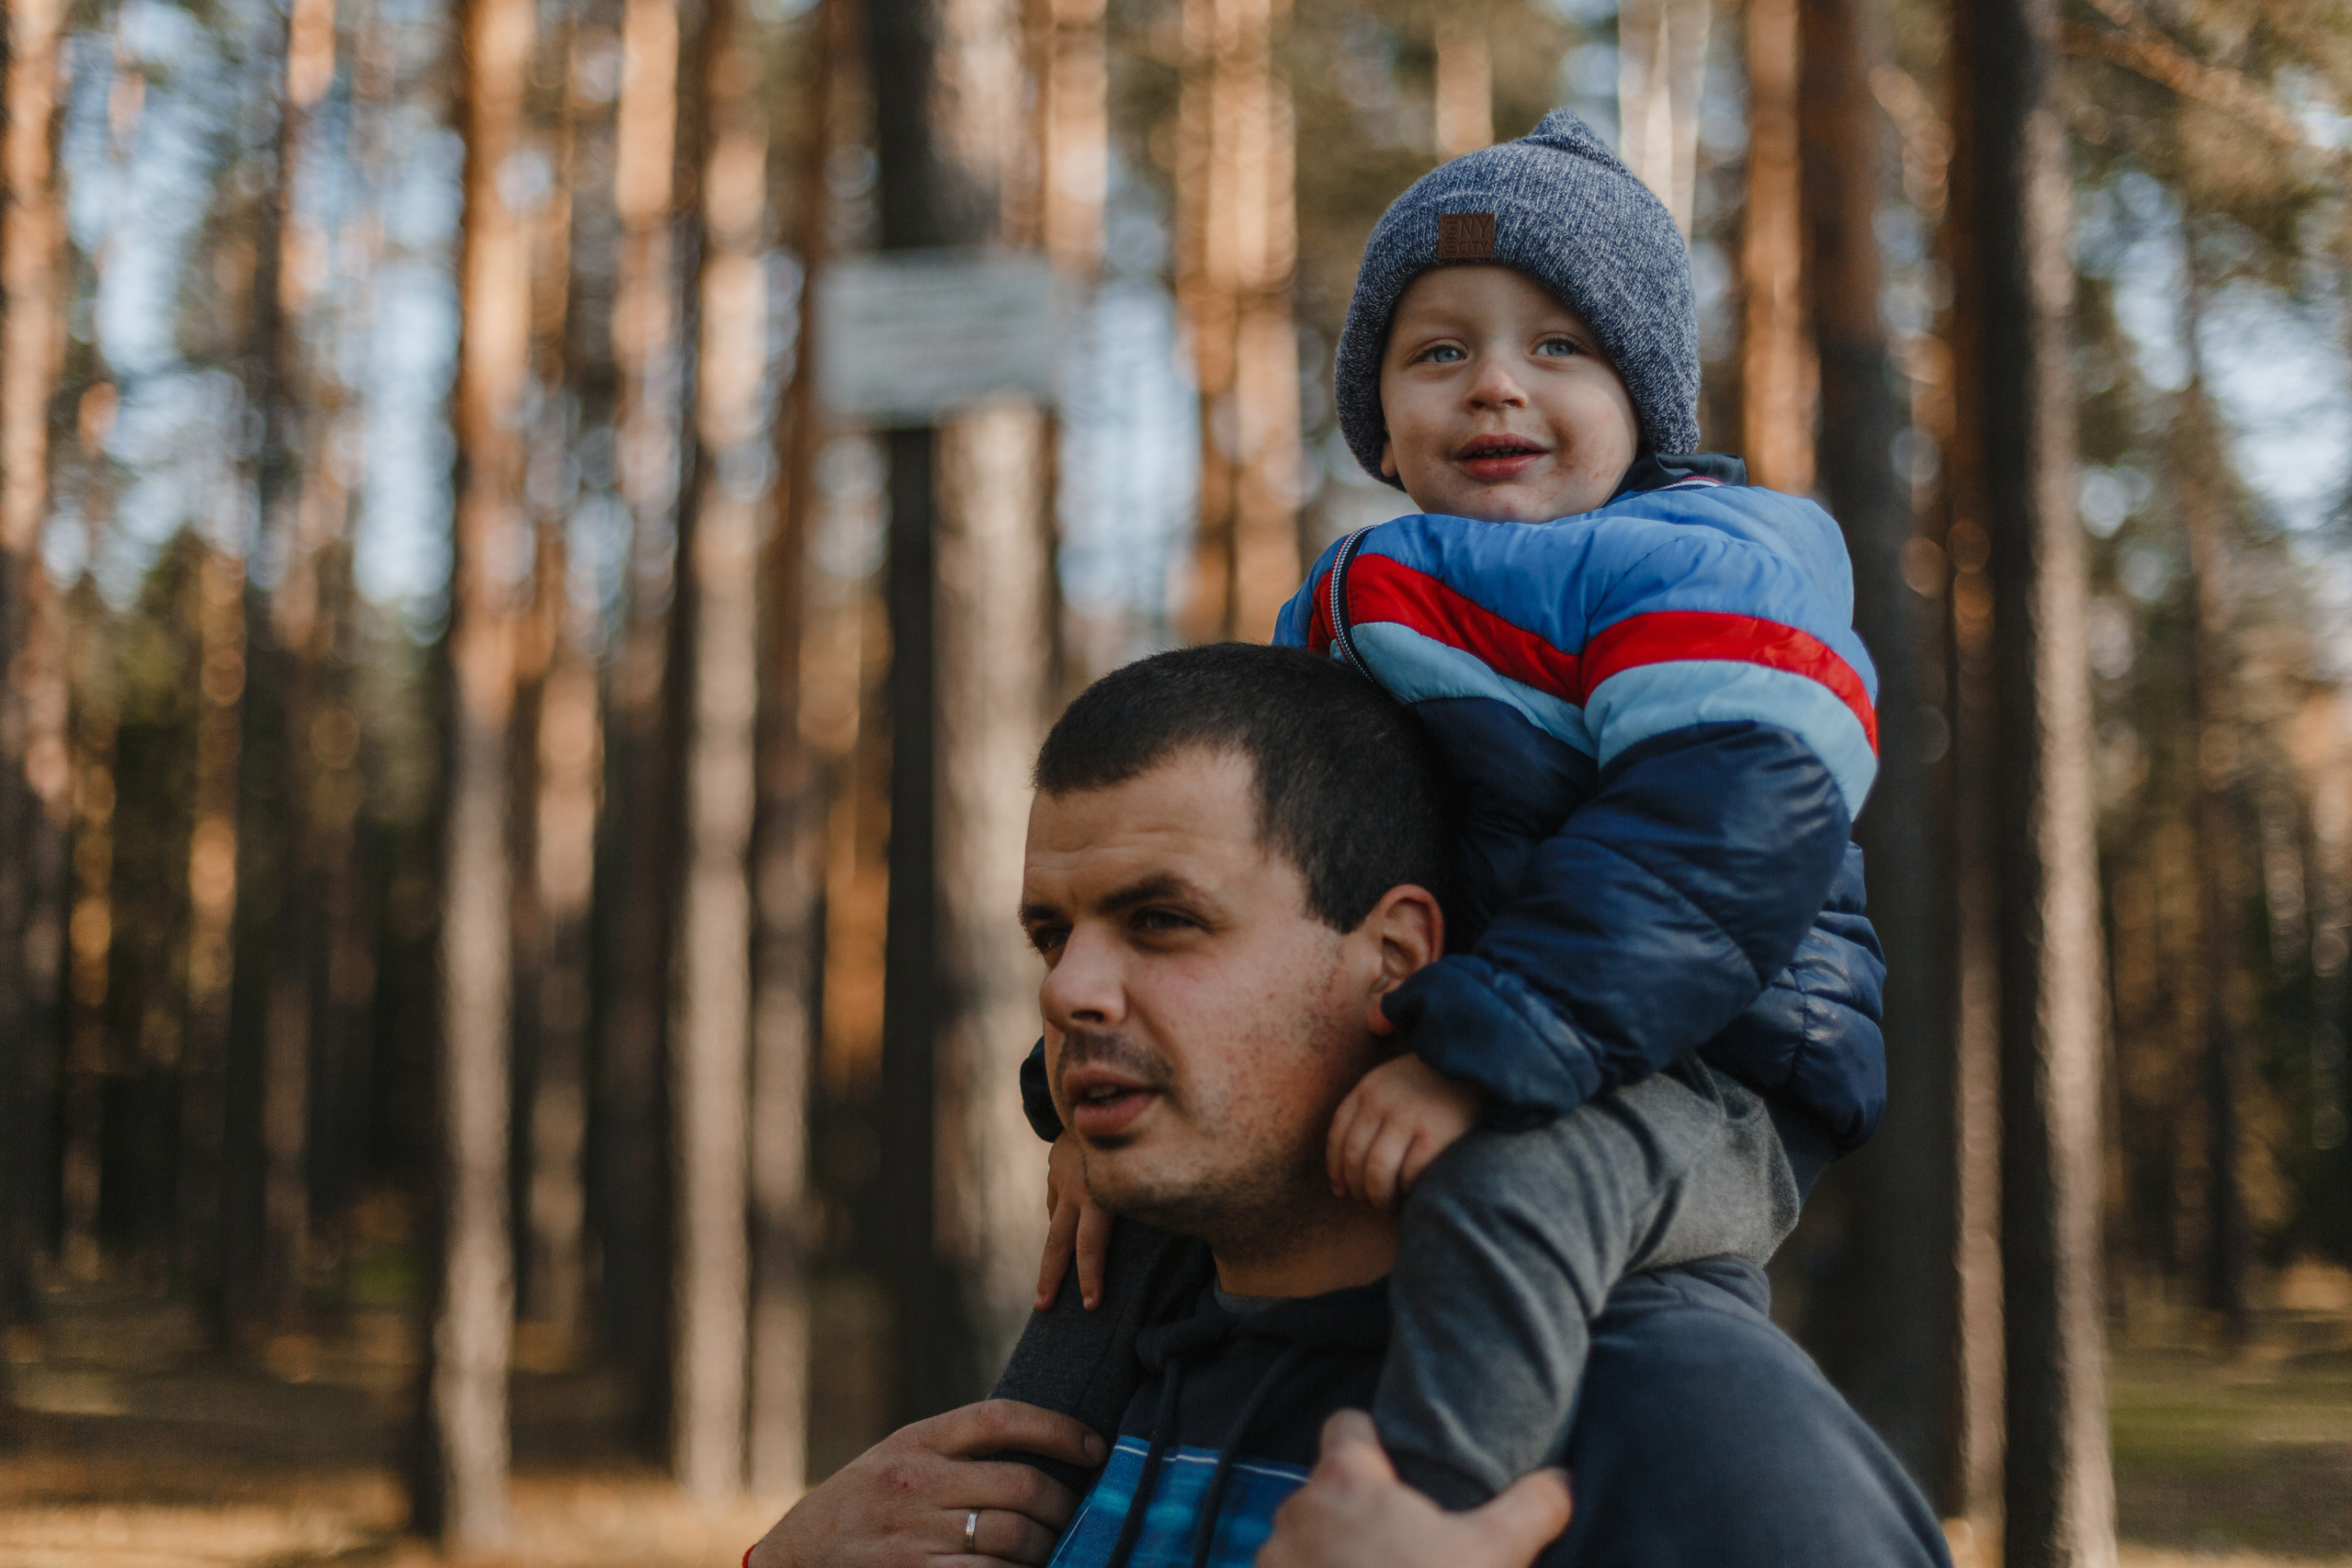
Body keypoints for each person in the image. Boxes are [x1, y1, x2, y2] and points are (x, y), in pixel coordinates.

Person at [1006, 106, 1887, 1510]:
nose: (1493, 387)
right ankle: (1008, 1499)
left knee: (1510, 1194)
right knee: (1128, 1214)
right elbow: (1236, 878)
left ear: (1645, 400)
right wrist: (1096, 1104)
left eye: (1558, 348)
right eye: (1439, 352)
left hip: (1707, 1066)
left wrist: (1490, 1055)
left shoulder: (1707, 564)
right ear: (1376, 414)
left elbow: (1728, 823)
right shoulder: (1358, 594)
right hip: (1483, 1026)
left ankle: (1427, 1505)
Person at [748, 644, 1947, 1568]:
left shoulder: (1686, 1425)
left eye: (1163, 921)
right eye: (1052, 934)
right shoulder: (1093, 1369)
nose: (1068, 991)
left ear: (1396, 959)